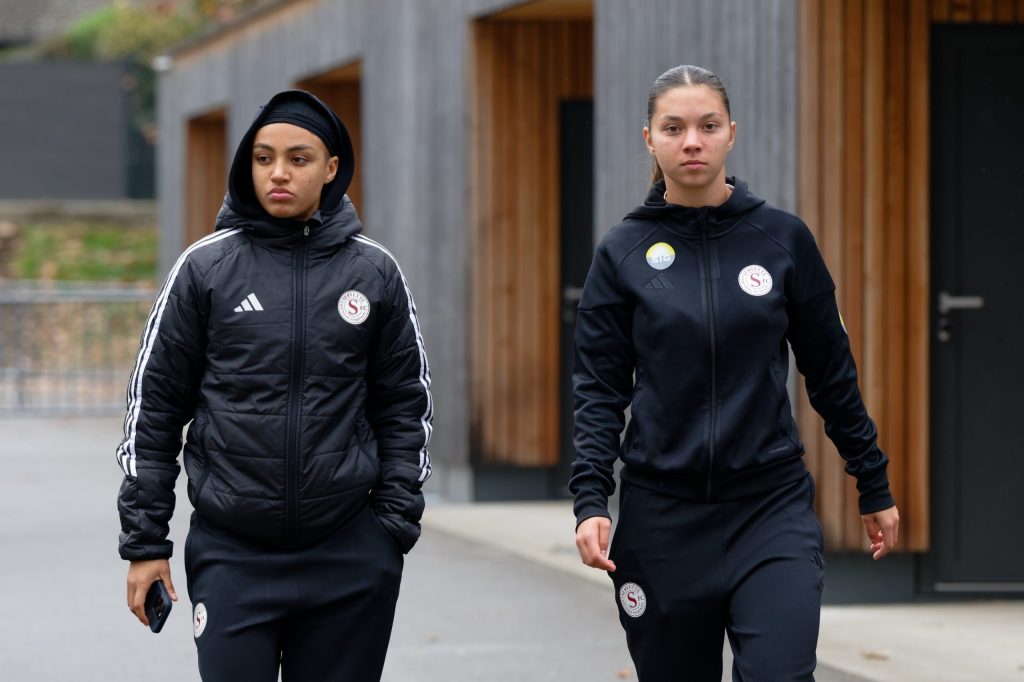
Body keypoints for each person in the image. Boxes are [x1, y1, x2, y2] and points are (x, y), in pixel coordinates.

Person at [570, 65, 899, 681]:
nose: (692, 141)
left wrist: (871, 478)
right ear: (649, 139)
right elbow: (599, 389)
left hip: (769, 510)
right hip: (662, 521)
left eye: (708, 125)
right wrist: (590, 499)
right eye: (674, 128)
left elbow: (831, 372)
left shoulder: (782, 240)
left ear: (731, 134)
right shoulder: (621, 252)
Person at [115, 90, 433, 681]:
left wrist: (390, 528)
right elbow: (153, 413)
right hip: (233, 555)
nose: (278, 173)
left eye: (298, 158)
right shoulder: (204, 269)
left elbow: (405, 407)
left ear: (331, 168)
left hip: (348, 556)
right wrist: (145, 543)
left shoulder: (374, 272)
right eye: (263, 158)